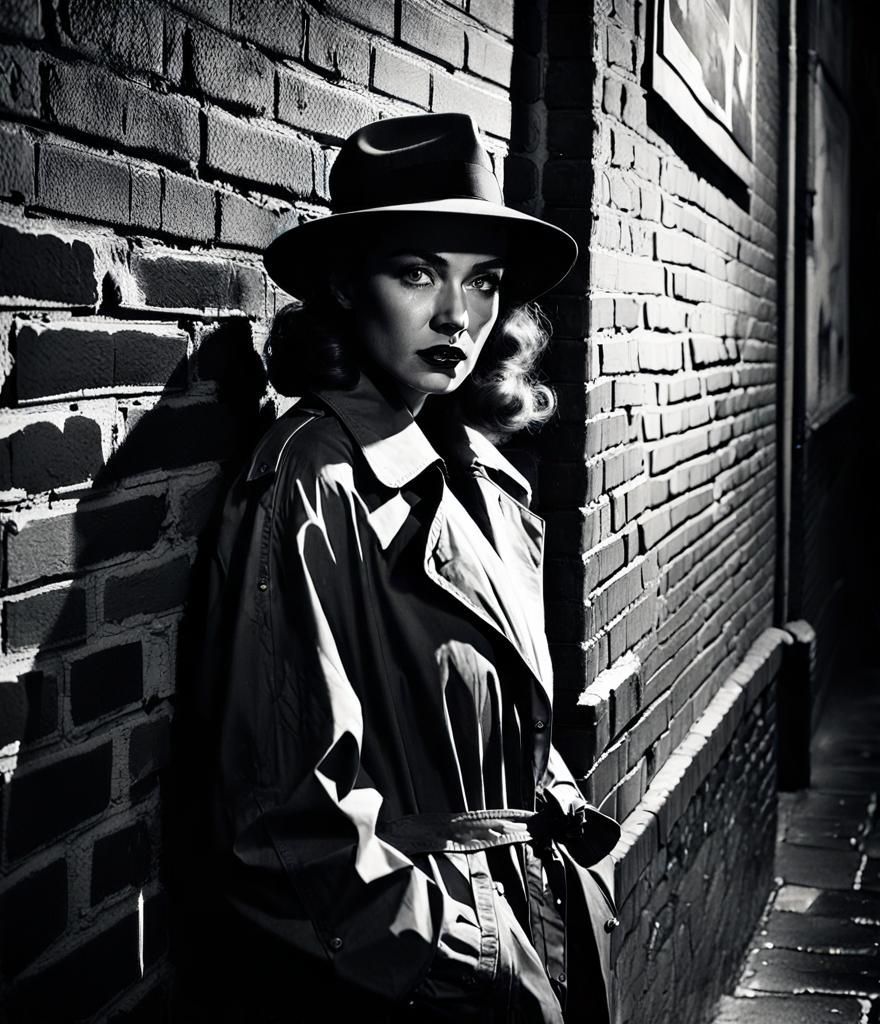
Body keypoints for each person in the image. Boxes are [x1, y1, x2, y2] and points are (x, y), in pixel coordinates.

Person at [197, 113, 621, 1022]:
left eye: (483, 283)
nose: (456, 317)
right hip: (426, 980)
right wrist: (479, 958)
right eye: (418, 273)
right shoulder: (311, 483)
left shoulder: (474, 464)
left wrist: (557, 837)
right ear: (349, 287)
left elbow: (510, 712)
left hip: (529, 925)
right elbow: (284, 826)